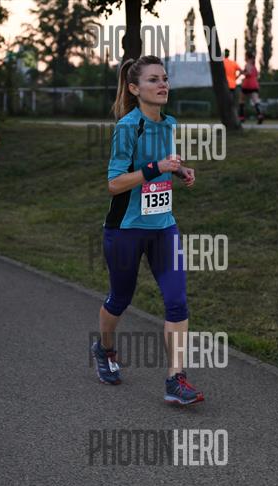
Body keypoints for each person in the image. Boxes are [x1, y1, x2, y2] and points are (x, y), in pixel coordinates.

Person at [91, 55, 204, 406]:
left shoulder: (169, 123)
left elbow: (160, 166)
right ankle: (104, 348)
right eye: (153, 79)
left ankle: (175, 379)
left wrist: (179, 170)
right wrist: (158, 167)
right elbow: (114, 184)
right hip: (126, 229)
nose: (163, 84)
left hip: (163, 226)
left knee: (177, 301)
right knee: (120, 299)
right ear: (135, 88)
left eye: (165, 78)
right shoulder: (128, 127)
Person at [238, 52, 264, 124]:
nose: (244, 58)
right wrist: (242, 73)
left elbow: (248, 73)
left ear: (247, 57)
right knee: (256, 101)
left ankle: (241, 117)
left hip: (247, 84)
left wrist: (243, 73)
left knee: (241, 100)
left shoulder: (247, 64)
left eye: (245, 56)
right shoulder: (254, 66)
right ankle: (260, 115)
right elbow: (256, 74)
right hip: (254, 84)